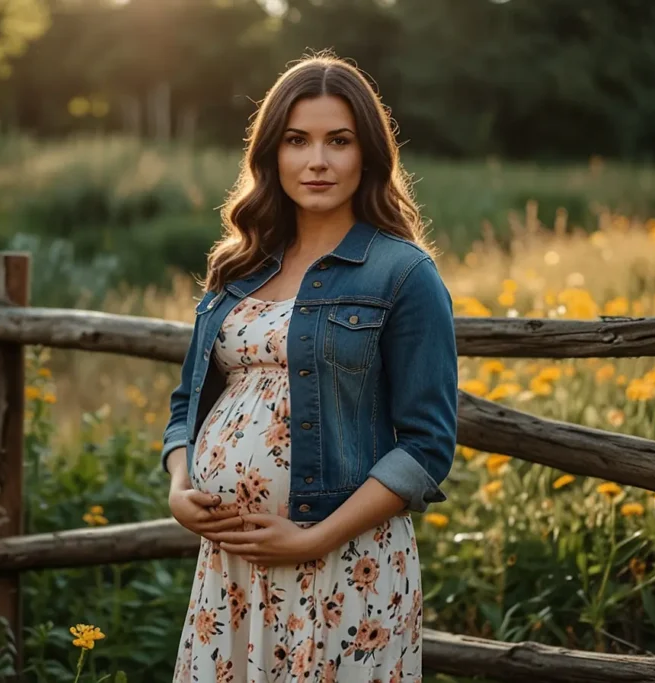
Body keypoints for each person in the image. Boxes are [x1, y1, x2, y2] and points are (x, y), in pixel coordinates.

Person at [159, 50, 458, 682]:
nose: (316, 161)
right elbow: (187, 404)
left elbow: (428, 446)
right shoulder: (237, 270)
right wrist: (180, 488)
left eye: (338, 141)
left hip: (344, 563)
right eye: (297, 140)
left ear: (368, 154)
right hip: (232, 570)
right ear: (271, 153)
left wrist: (312, 539)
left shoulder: (404, 274)